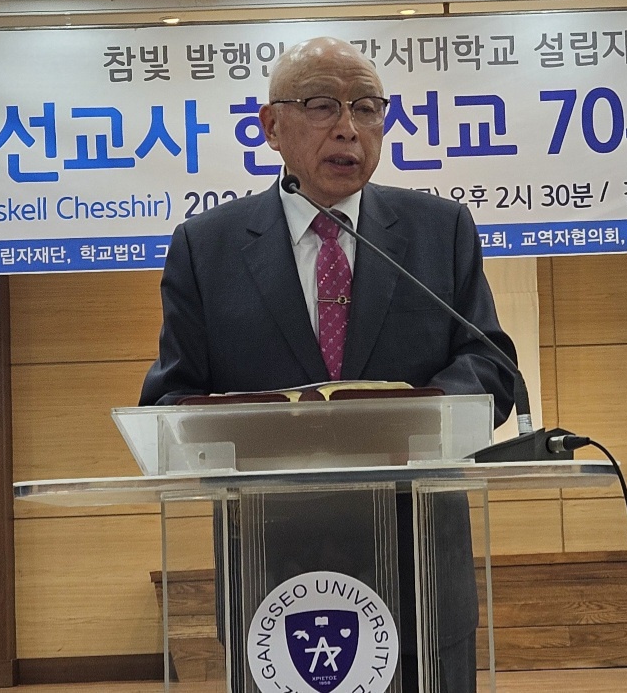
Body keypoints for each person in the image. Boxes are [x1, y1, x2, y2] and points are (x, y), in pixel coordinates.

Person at [139, 36, 516, 692]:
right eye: (322, 105)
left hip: (421, 557)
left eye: (367, 108)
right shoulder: (207, 247)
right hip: (272, 565)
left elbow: (490, 365)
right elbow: (171, 398)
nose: (349, 128)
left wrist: (413, 415)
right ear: (271, 127)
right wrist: (248, 427)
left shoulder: (439, 229)